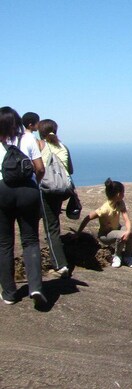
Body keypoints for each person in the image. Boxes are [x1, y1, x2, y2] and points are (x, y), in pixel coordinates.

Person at [0, 107, 46, 307]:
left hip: (2, 190)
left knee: (4, 244)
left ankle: (9, 293)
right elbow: (40, 168)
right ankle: (35, 287)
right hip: (28, 191)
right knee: (30, 240)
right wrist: (33, 182)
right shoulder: (27, 139)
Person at [37, 119, 75, 278]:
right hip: (63, 189)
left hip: (47, 190)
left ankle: (60, 265)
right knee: (53, 223)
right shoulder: (63, 147)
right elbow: (70, 170)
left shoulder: (40, 146)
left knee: (50, 227)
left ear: (41, 132)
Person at [77, 178, 132, 268]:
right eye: (123, 192)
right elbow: (88, 218)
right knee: (122, 234)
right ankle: (117, 256)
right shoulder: (105, 209)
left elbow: (126, 219)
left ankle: (127, 256)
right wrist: (78, 233)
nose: (124, 195)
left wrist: (128, 231)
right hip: (105, 235)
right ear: (118, 194)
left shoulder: (120, 203)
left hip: (116, 229)